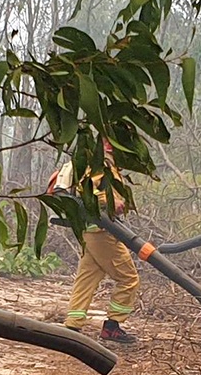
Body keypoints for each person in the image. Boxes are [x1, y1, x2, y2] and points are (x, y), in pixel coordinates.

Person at [55, 148, 139, 345]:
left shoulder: (100, 162)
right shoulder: (101, 163)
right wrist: (112, 202)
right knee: (129, 279)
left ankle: (73, 324)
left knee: (87, 277)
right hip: (102, 231)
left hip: (90, 230)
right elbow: (91, 191)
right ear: (108, 144)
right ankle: (112, 327)